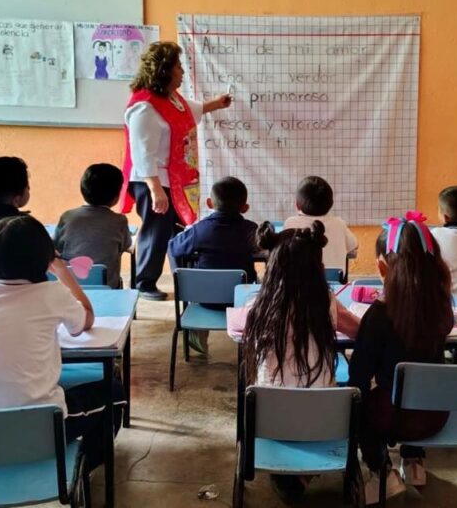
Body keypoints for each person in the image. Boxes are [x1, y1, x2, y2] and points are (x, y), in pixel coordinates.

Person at [0, 216, 121, 469]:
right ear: (45, 259)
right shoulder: (52, 294)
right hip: (40, 430)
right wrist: (62, 271)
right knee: (113, 390)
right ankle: (84, 469)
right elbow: (86, 318)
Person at [242, 220, 359, 501]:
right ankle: (302, 473)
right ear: (318, 267)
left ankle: (290, 472)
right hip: (324, 422)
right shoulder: (325, 302)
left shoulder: (258, 308)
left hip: (269, 421)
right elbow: (359, 331)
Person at [350, 212, 454, 504]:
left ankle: (382, 472)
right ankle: (414, 463)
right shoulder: (443, 308)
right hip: (436, 415)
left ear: (382, 267)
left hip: (392, 418)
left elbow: (359, 378)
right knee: (418, 386)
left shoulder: (379, 315)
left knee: (357, 401)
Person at [120, 41, 232, 300]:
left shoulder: (170, 99)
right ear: (164, 70)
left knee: (177, 231)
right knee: (156, 231)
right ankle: (144, 283)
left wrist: (217, 104)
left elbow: (193, 110)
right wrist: (155, 189)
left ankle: (183, 279)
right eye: (178, 66)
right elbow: (141, 151)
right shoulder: (145, 106)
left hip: (172, 180)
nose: (182, 71)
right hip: (152, 180)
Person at [169, 176, 260, 354]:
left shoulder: (200, 229)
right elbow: (264, 250)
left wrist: (180, 278)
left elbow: (173, 248)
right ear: (245, 208)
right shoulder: (251, 230)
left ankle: (197, 327)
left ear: (209, 203)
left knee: (194, 268)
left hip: (204, 300)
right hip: (240, 301)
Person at [54, 163, 132, 288]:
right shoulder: (119, 221)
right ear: (116, 196)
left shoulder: (67, 217)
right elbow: (126, 245)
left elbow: (57, 247)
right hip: (106, 287)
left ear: (82, 189)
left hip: (70, 286)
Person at [283, 176, 359, 273]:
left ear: (297, 205)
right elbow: (354, 245)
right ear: (331, 204)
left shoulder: (290, 223)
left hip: (298, 281)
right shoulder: (339, 223)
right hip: (334, 281)